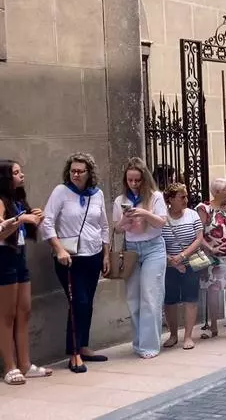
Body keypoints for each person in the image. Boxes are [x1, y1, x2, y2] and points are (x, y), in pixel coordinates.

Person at [41, 153, 111, 372]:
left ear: (89, 173)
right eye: (73, 171)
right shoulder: (61, 192)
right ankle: (73, 353)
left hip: (93, 256)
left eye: (80, 171)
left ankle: (83, 346)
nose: (76, 175)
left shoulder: (96, 194)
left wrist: (106, 254)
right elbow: (47, 222)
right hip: (69, 258)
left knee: (87, 302)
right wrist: (58, 248)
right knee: (78, 302)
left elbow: (104, 226)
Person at [0, 160, 51, 385]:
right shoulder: (0, 201)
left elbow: (20, 228)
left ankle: (25, 363)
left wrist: (33, 218)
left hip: (19, 256)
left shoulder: (17, 200)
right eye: (16, 173)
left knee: (24, 311)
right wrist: (21, 219)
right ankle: (9, 367)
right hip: (4, 258)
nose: (22, 175)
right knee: (7, 315)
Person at [112, 158, 168, 359]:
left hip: (153, 248)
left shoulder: (155, 197)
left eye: (137, 180)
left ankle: (150, 345)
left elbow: (161, 223)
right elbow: (117, 229)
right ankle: (138, 342)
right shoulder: (121, 200)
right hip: (131, 249)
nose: (133, 184)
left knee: (150, 296)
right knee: (133, 298)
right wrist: (124, 220)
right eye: (130, 180)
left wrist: (144, 213)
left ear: (144, 179)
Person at [196, 178, 226, 340]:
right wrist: (211, 249)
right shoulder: (204, 209)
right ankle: (213, 326)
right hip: (213, 257)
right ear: (217, 192)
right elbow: (198, 235)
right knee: (213, 291)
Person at [160, 183, 204, 351]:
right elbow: (156, 241)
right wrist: (169, 259)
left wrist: (182, 256)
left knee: (190, 299)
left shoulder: (192, 215)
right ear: (170, 199)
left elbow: (199, 239)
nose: (186, 200)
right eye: (182, 197)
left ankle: (188, 336)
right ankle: (173, 335)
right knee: (170, 300)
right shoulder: (162, 218)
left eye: (186, 196)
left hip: (191, 262)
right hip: (169, 265)